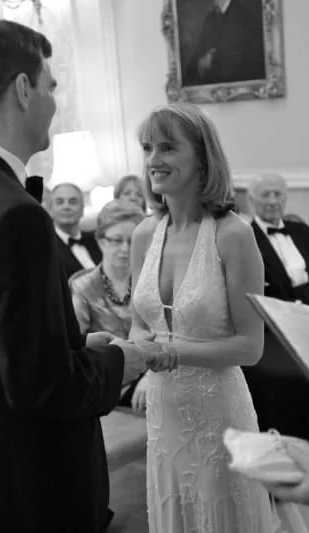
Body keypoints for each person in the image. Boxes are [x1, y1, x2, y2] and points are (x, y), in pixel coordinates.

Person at [0, 20, 147, 532]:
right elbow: (40, 385)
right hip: (36, 483)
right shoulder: (14, 214)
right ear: (23, 89)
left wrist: (81, 344)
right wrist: (117, 360)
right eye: (51, 86)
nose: (55, 101)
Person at [128, 102, 278, 531]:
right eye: (147, 148)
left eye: (168, 148)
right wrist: (136, 349)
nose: (154, 160)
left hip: (219, 416)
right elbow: (142, 321)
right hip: (163, 412)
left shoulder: (233, 235)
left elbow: (250, 347)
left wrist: (170, 353)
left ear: (202, 156)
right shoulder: (144, 235)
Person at [244, 173, 309, 440]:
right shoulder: (245, 239)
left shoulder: (302, 231)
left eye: (277, 194)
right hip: (275, 327)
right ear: (251, 200)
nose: (272, 201)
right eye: (265, 195)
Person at [70, 199, 150, 411]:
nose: (125, 249)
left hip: (154, 377)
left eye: (132, 241)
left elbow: (170, 335)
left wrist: (152, 377)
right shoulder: (82, 287)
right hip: (110, 382)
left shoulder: (152, 282)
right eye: (116, 240)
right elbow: (75, 348)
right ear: (100, 240)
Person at [182, 0, 265, 86]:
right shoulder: (210, 18)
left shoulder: (241, 16)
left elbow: (238, 60)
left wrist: (212, 60)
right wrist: (199, 65)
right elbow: (199, 53)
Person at [50, 182, 103, 280]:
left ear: (82, 209)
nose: (66, 207)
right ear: (50, 209)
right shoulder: (44, 246)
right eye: (60, 202)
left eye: (73, 201)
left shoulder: (98, 240)